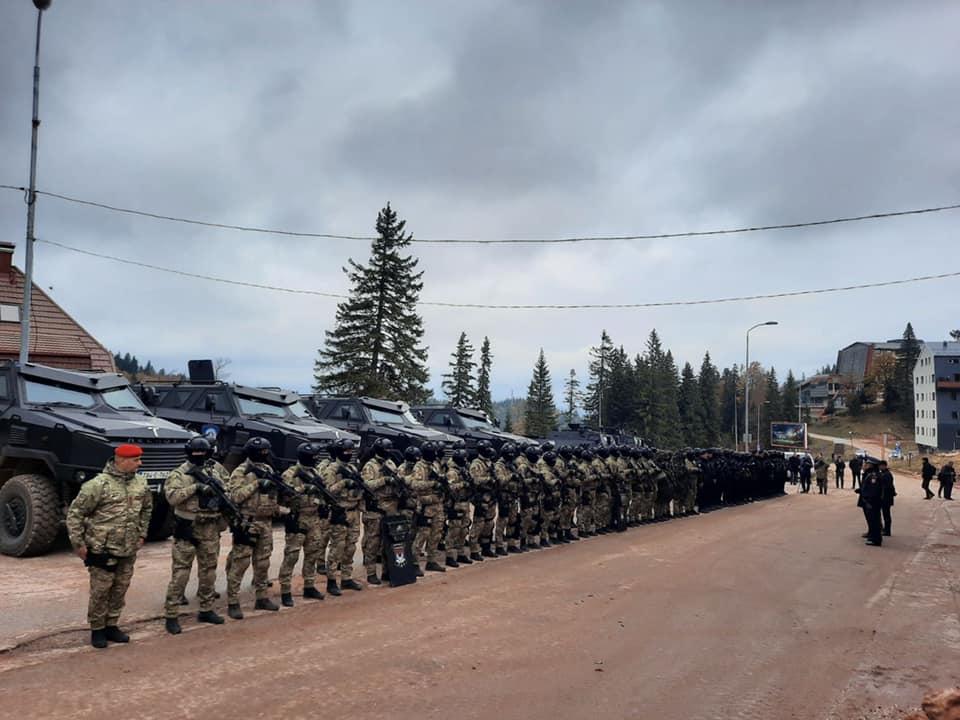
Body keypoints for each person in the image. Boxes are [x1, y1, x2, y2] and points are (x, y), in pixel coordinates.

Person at [66, 444, 153, 648]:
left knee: (120, 588)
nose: (140, 463)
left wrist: (142, 534)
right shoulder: (97, 485)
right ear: (121, 460)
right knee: (101, 590)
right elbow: (75, 514)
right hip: (102, 548)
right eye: (136, 460)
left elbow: (147, 509)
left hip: (129, 547)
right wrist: (78, 544)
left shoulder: (141, 483)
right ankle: (97, 629)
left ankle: (112, 625)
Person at [162, 437, 228, 635]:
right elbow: (172, 498)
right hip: (188, 527)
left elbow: (227, 491)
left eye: (204, 453)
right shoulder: (179, 474)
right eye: (196, 453)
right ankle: (171, 614)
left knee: (208, 570)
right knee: (181, 573)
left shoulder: (215, 471)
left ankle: (206, 609)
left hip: (210, 526)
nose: (200, 456)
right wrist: (195, 488)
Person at [225, 437, 281, 618]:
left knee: (263, 563)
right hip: (247, 523)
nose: (264, 455)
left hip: (265, 522)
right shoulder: (241, 472)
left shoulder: (268, 469)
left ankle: (262, 597)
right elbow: (235, 497)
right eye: (261, 452)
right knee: (240, 563)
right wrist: (256, 484)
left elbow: (272, 497)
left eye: (266, 451)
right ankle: (233, 602)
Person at [277, 442, 329, 606]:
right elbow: (284, 496)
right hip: (297, 518)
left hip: (313, 518)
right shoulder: (290, 474)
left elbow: (323, 493)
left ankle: (309, 585)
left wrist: (321, 503)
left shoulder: (315, 472)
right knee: (291, 556)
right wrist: (305, 488)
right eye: (312, 457)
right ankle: (285, 591)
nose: (314, 460)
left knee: (312, 554)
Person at [323, 438, 365, 594]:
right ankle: (331, 580)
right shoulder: (332, 469)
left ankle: (346, 578)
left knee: (351, 547)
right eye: (346, 451)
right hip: (340, 513)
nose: (348, 454)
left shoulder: (353, 468)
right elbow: (327, 491)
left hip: (354, 512)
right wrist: (343, 483)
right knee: (337, 548)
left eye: (350, 451)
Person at [360, 438, 402, 585]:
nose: (389, 451)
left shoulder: (390, 463)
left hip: (391, 507)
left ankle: (387, 571)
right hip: (376, 508)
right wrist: (384, 480)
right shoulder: (370, 466)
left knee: (389, 542)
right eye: (387, 449)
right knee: (373, 542)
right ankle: (371, 572)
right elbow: (366, 485)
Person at [856, 457, 883, 546]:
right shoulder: (869, 474)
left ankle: (876, 539)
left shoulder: (873, 475)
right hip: (869, 501)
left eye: (866, 464)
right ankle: (872, 536)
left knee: (874, 520)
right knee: (872, 520)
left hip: (872, 502)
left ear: (871, 465)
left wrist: (869, 501)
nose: (865, 465)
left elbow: (873, 491)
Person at [878, 460, 897, 536]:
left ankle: (887, 530)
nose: (880, 467)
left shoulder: (887, 474)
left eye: (881, 466)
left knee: (886, 514)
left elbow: (888, 487)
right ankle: (885, 529)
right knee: (885, 514)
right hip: (885, 497)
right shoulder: (884, 473)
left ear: (884, 466)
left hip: (886, 497)